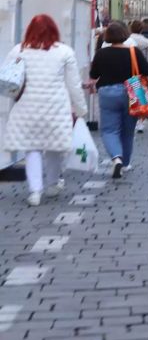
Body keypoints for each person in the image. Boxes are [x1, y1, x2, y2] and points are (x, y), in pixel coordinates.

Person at [3, 14, 88, 206]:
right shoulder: (64, 51)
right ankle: (51, 184)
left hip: (26, 106)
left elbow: (8, 76)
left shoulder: (19, 50)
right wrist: (81, 109)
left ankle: (35, 191)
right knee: (54, 147)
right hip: (55, 107)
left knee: (32, 148)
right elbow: (73, 84)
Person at [91, 22, 148, 179]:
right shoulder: (133, 52)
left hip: (107, 93)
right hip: (132, 92)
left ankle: (116, 157)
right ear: (125, 35)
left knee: (109, 130)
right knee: (127, 131)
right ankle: (125, 163)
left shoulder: (101, 53)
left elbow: (94, 74)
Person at [129, 20, 148, 134]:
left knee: (130, 97)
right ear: (141, 29)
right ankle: (140, 122)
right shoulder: (146, 42)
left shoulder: (126, 41)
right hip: (140, 74)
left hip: (128, 73)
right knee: (140, 97)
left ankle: (131, 119)